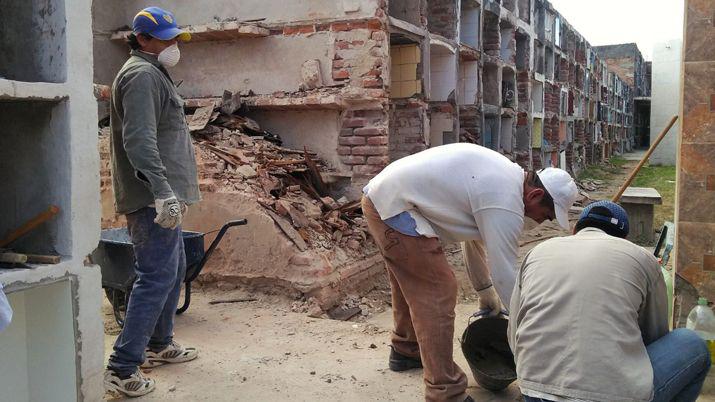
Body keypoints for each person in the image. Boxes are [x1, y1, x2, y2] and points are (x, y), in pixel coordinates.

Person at [361, 143, 578, 402]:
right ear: (534, 195)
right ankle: (445, 391)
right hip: (395, 207)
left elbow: (473, 238)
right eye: (547, 215)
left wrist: (485, 292)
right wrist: (527, 333)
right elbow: (505, 275)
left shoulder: (504, 178)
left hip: (387, 198)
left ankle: (406, 349)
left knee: (413, 280)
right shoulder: (505, 202)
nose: (544, 222)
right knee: (437, 291)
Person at [509, 201, 711, 402]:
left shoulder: (537, 252)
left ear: (574, 230)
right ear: (624, 239)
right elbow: (654, 336)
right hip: (611, 396)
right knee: (691, 343)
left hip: (535, 391)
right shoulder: (641, 257)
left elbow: (514, 333)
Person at [104, 6, 201, 397]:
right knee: (155, 276)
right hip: (151, 198)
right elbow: (139, 141)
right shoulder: (142, 75)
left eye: (176, 37)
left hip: (164, 195)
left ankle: (159, 344)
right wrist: (162, 191)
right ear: (142, 39)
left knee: (172, 269)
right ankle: (122, 367)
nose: (174, 44)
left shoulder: (151, 71)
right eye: (166, 38)